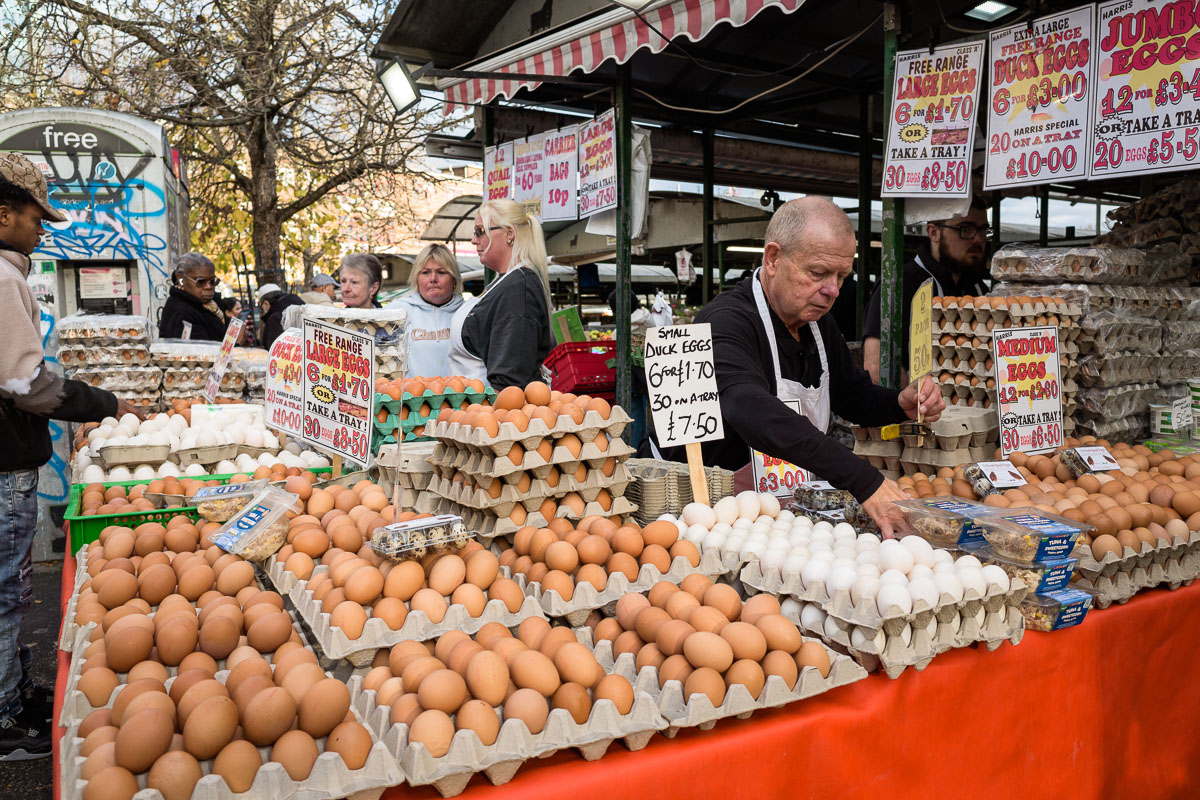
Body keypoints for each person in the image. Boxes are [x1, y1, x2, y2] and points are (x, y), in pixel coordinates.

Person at [0, 153, 142, 761]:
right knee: (6, 589)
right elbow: (27, 383)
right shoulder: (3, 279)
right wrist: (101, 403)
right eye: (36, 217)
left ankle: (9, 691)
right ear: (3, 213)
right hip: (3, 460)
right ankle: (4, 718)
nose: (43, 228)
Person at [691, 197, 944, 538]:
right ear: (773, 259)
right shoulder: (726, 322)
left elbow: (851, 395)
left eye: (842, 276)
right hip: (715, 516)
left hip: (785, 514)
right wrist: (863, 479)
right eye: (818, 273)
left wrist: (898, 403)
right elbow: (748, 406)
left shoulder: (817, 325)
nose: (832, 290)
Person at [863, 195, 992, 382]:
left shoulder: (978, 289)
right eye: (966, 229)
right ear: (933, 233)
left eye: (983, 230)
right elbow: (876, 367)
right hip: (918, 408)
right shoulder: (900, 285)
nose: (978, 239)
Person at [449, 199, 555, 389]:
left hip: (495, 410)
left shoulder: (518, 289)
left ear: (509, 234)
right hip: (480, 408)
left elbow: (510, 379)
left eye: (480, 231)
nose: (474, 240)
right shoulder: (507, 282)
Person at [389, 244, 464, 377]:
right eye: (425, 272)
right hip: (412, 396)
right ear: (416, 278)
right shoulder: (397, 312)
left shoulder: (468, 313)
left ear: (454, 279)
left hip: (460, 396)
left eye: (441, 272)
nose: (433, 279)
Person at [158, 252, 227, 340]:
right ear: (181, 279)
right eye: (201, 281)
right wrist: (236, 343)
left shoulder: (210, 306)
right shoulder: (182, 313)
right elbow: (200, 352)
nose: (209, 287)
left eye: (213, 281)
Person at [257, 283, 305, 350]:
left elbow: (274, 349)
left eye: (261, 307)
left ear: (266, 303)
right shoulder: (300, 306)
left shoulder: (274, 318)